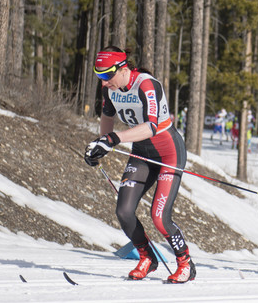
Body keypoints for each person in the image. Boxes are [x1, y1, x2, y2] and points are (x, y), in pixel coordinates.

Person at [83, 47, 195, 283]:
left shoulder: (146, 84)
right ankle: (147, 258)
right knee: (123, 211)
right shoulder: (110, 89)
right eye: (99, 76)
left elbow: (152, 127)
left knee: (159, 216)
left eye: (106, 76)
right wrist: (102, 145)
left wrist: (113, 139)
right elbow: (107, 118)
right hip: (142, 154)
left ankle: (185, 262)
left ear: (123, 69)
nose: (103, 82)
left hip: (169, 154)